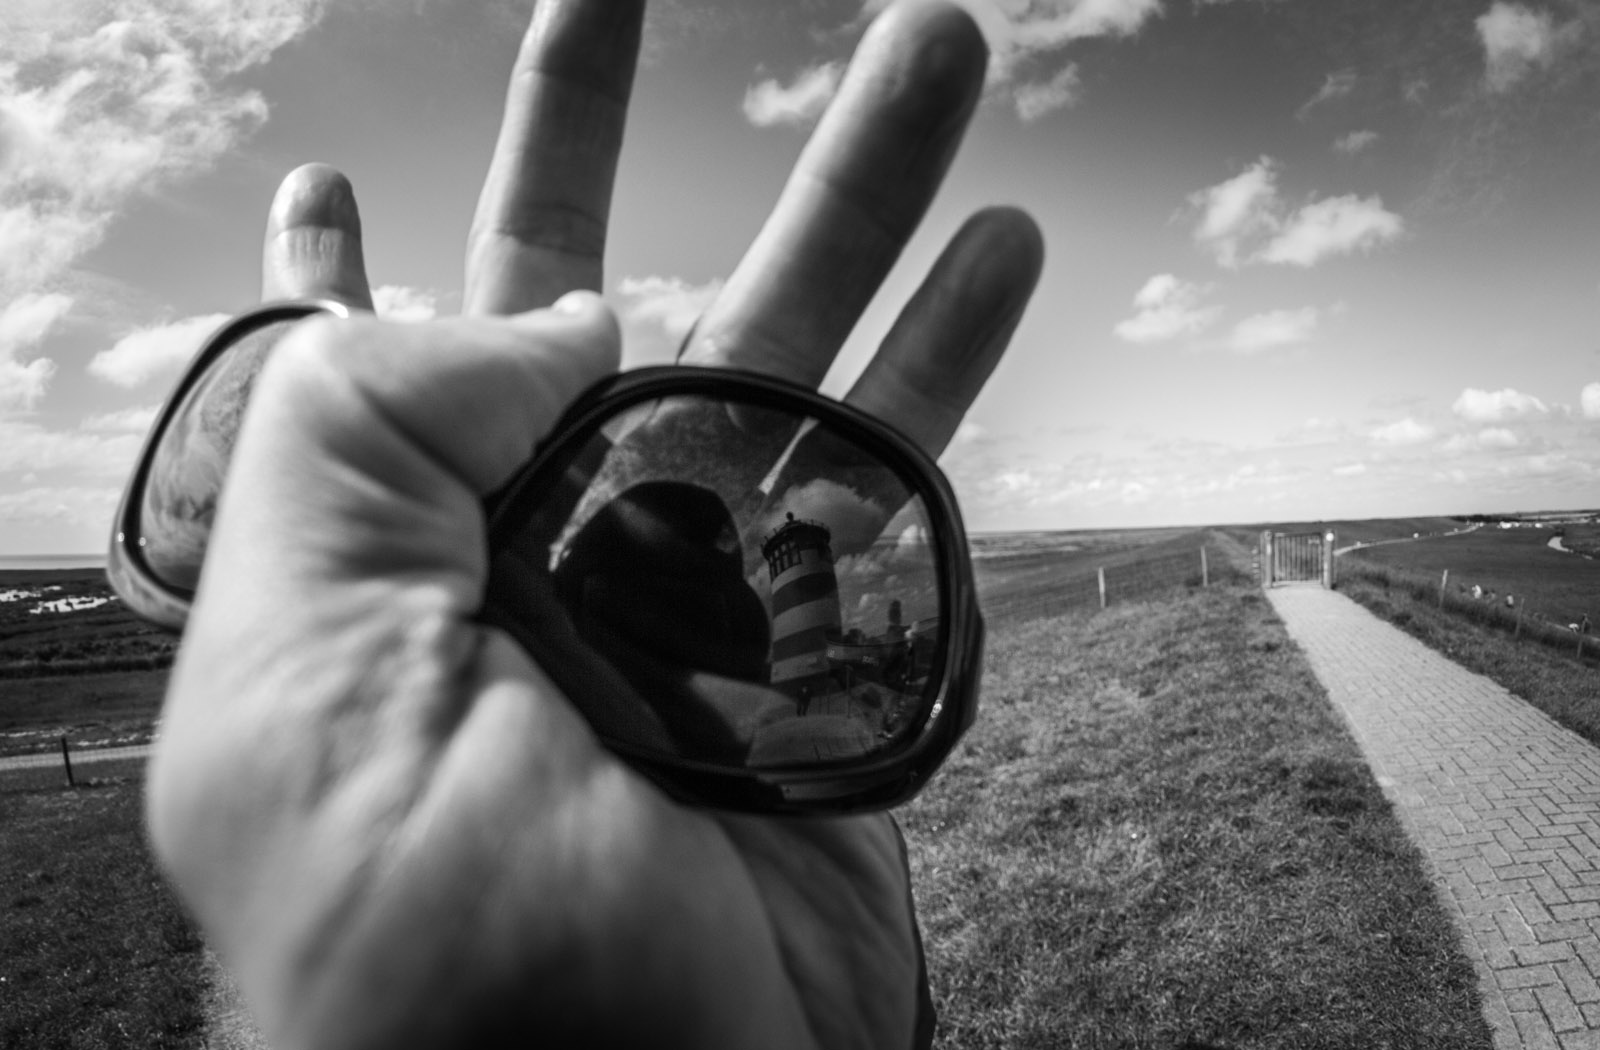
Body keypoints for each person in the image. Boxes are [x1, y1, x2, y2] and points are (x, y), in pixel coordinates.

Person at [143, 1, 1043, 1048]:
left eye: (749, 558)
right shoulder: (745, 713)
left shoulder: (678, 699)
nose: (743, 565)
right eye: (731, 556)